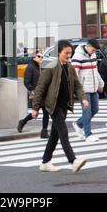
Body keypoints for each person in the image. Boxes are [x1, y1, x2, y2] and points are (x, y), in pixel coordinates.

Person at [32, 40, 88, 173]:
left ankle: (45, 162)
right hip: (53, 105)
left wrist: (83, 98)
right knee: (63, 132)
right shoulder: (50, 66)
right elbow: (41, 87)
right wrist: (35, 107)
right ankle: (73, 161)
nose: (69, 55)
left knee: (55, 135)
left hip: (64, 105)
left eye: (70, 52)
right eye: (66, 53)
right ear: (59, 53)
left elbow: (77, 85)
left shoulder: (69, 67)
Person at [71, 39, 104, 143]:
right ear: (88, 46)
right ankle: (88, 134)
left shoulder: (93, 55)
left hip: (93, 87)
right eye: (93, 50)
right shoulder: (77, 56)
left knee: (95, 109)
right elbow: (74, 75)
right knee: (87, 111)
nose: (93, 52)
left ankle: (78, 124)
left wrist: (100, 82)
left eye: (95, 51)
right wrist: (76, 90)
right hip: (83, 89)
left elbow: (95, 70)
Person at [17, 52, 50, 138]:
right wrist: (32, 90)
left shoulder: (39, 66)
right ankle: (23, 122)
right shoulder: (30, 67)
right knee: (35, 112)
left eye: (42, 57)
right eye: (39, 56)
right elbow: (26, 82)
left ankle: (44, 131)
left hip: (43, 93)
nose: (41, 58)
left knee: (46, 112)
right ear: (34, 57)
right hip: (37, 94)